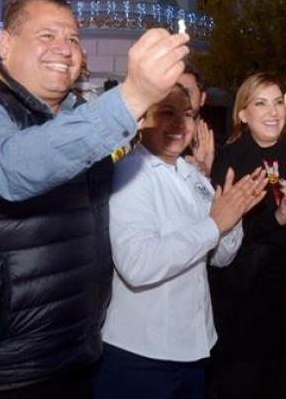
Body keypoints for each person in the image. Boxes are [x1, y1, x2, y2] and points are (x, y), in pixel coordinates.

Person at [0, 0, 190, 398]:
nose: (65, 49)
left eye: (73, 39)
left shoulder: (80, 118)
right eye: (47, 35)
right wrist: (133, 96)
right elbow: (9, 167)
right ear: (6, 44)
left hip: (77, 358)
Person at [96, 85, 266, 399]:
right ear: (141, 120)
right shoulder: (130, 174)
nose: (179, 124)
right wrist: (214, 224)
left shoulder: (194, 178)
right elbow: (137, 265)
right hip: (142, 356)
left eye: (186, 115)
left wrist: (234, 214)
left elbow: (220, 257)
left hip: (193, 348)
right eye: (166, 113)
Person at [206, 73, 286, 399]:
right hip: (244, 308)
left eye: (278, 102)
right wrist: (277, 218)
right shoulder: (229, 159)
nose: (273, 112)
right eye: (261, 103)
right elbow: (222, 236)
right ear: (243, 114)